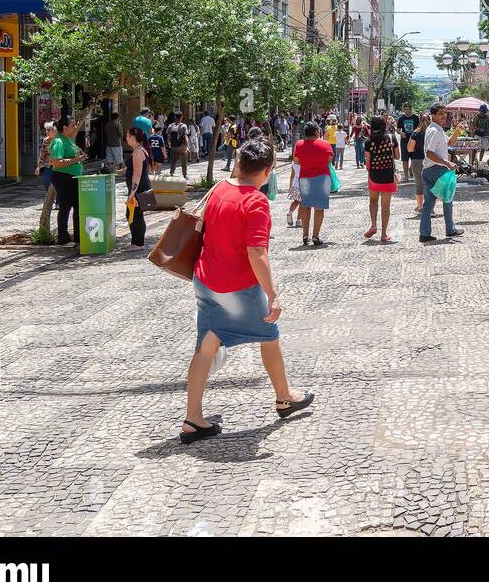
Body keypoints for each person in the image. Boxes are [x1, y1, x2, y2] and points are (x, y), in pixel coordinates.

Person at [181, 137, 314, 443]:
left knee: (207, 344)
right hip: (237, 286)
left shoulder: (219, 189)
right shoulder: (256, 201)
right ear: (268, 171)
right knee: (269, 335)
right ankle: (284, 396)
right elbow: (257, 252)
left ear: (238, 163)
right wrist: (273, 293)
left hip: (205, 280)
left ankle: (193, 418)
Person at [420, 104, 462, 242]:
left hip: (429, 171)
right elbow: (429, 153)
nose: (444, 115)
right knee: (448, 198)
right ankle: (450, 229)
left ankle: (425, 234)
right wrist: (447, 163)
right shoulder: (434, 131)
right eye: (440, 113)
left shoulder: (437, 129)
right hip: (437, 171)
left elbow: (448, 143)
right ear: (433, 115)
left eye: (445, 113)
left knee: (428, 204)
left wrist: (456, 131)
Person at [292, 121, 333, 246]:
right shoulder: (325, 144)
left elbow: (296, 160)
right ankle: (315, 235)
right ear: (316, 132)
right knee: (319, 207)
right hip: (322, 177)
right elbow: (329, 160)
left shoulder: (299, 144)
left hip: (305, 177)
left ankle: (305, 234)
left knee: (305, 205)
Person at [49, 116, 86, 244]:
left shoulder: (68, 139)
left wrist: (80, 155)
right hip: (63, 177)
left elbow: (74, 154)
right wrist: (77, 160)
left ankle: (78, 237)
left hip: (73, 177)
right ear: (65, 128)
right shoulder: (58, 141)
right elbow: (57, 162)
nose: (75, 127)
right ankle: (63, 238)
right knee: (65, 207)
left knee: (77, 207)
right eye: (72, 125)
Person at [364, 116, 399, 242]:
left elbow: (367, 160)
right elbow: (397, 156)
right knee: (386, 206)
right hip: (388, 174)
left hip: (374, 174)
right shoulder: (391, 138)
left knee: (373, 201)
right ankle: (384, 234)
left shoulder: (369, 141)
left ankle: (373, 224)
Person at [124, 126, 153, 248]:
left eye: (127, 135)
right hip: (141, 186)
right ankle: (137, 241)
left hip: (138, 188)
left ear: (133, 137)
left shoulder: (138, 152)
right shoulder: (140, 150)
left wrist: (132, 193)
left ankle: (137, 242)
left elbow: (137, 173)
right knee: (135, 214)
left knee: (134, 214)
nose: (126, 137)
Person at [34, 120, 58, 234]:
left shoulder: (59, 140)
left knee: (58, 185)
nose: (47, 132)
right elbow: (42, 153)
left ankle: (58, 201)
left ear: (55, 131)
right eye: (46, 130)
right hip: (48, 166)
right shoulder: (46, 141)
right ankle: (51, 200)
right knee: (47, 182)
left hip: (58, 166)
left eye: (49, 130)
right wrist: (39, 166)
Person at [407, 112, 430, 212]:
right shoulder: (433, 132)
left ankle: (420, 207)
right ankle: (430, 207)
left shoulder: (416, 133)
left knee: (419, 185)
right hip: (431, 161)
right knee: (430, 185)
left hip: (417, 161)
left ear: (419, 120)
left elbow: (409, 149)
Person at [397, 104, 421, 184]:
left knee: (414, 159)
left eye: (408, 109)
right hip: (404, 141)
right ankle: (406, 176)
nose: (407, 111)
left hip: (414, 140)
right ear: (403, 110)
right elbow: (398, 129)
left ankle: (413, 173)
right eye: (405, 109)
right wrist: (401, 133)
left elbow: (419, 127)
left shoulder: (415, 117)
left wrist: (416, 131)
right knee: (405, 159)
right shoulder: (401, 118)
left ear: (411, 109)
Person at [166, 112, 190, 179]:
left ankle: (171, 173)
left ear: (175, 117)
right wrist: (187, 146)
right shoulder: (183, 126)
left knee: (173, 161)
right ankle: (184, 175)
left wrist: (169, 144)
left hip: (174, 146)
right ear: (181, 117)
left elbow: (168, 136)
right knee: (184, 162)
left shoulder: (171, 126)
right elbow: (186, 136)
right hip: (182, 147)